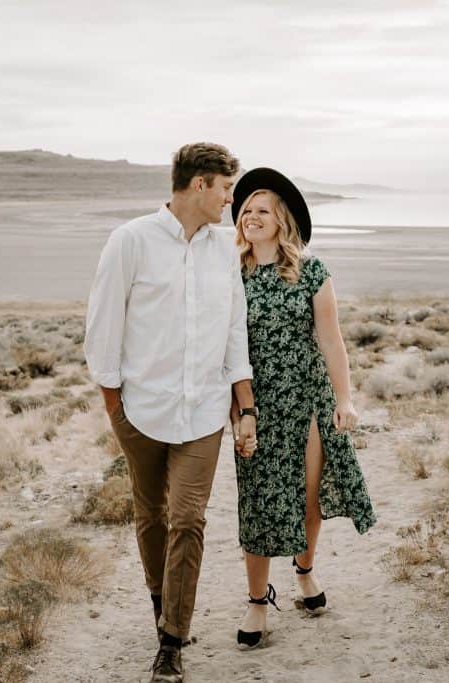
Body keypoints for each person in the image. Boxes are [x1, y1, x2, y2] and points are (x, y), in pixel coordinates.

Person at [83, 142, 258, 683]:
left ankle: (171, 641)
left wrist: (242, 405)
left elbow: (234, 331)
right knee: (150, 516)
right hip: (140, 410)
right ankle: (162, 603)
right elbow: (103, 325)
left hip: (203, 412)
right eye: (227, 189)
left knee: (188, 519)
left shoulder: (226, 249)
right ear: (200, 185)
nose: (232, 200)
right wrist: (115, 406)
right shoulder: (130, 241)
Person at [229, 168, 376, 649]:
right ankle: (256, 602)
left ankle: (305, 571)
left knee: (308, 496)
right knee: (259, 502)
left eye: (262, 211)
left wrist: (345, 398)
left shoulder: (312, 271)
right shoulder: (229, 273)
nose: (251, 217)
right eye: (246, 210)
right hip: (255, 403)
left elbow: (332, 342)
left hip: (308, 397)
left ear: (281, 221)